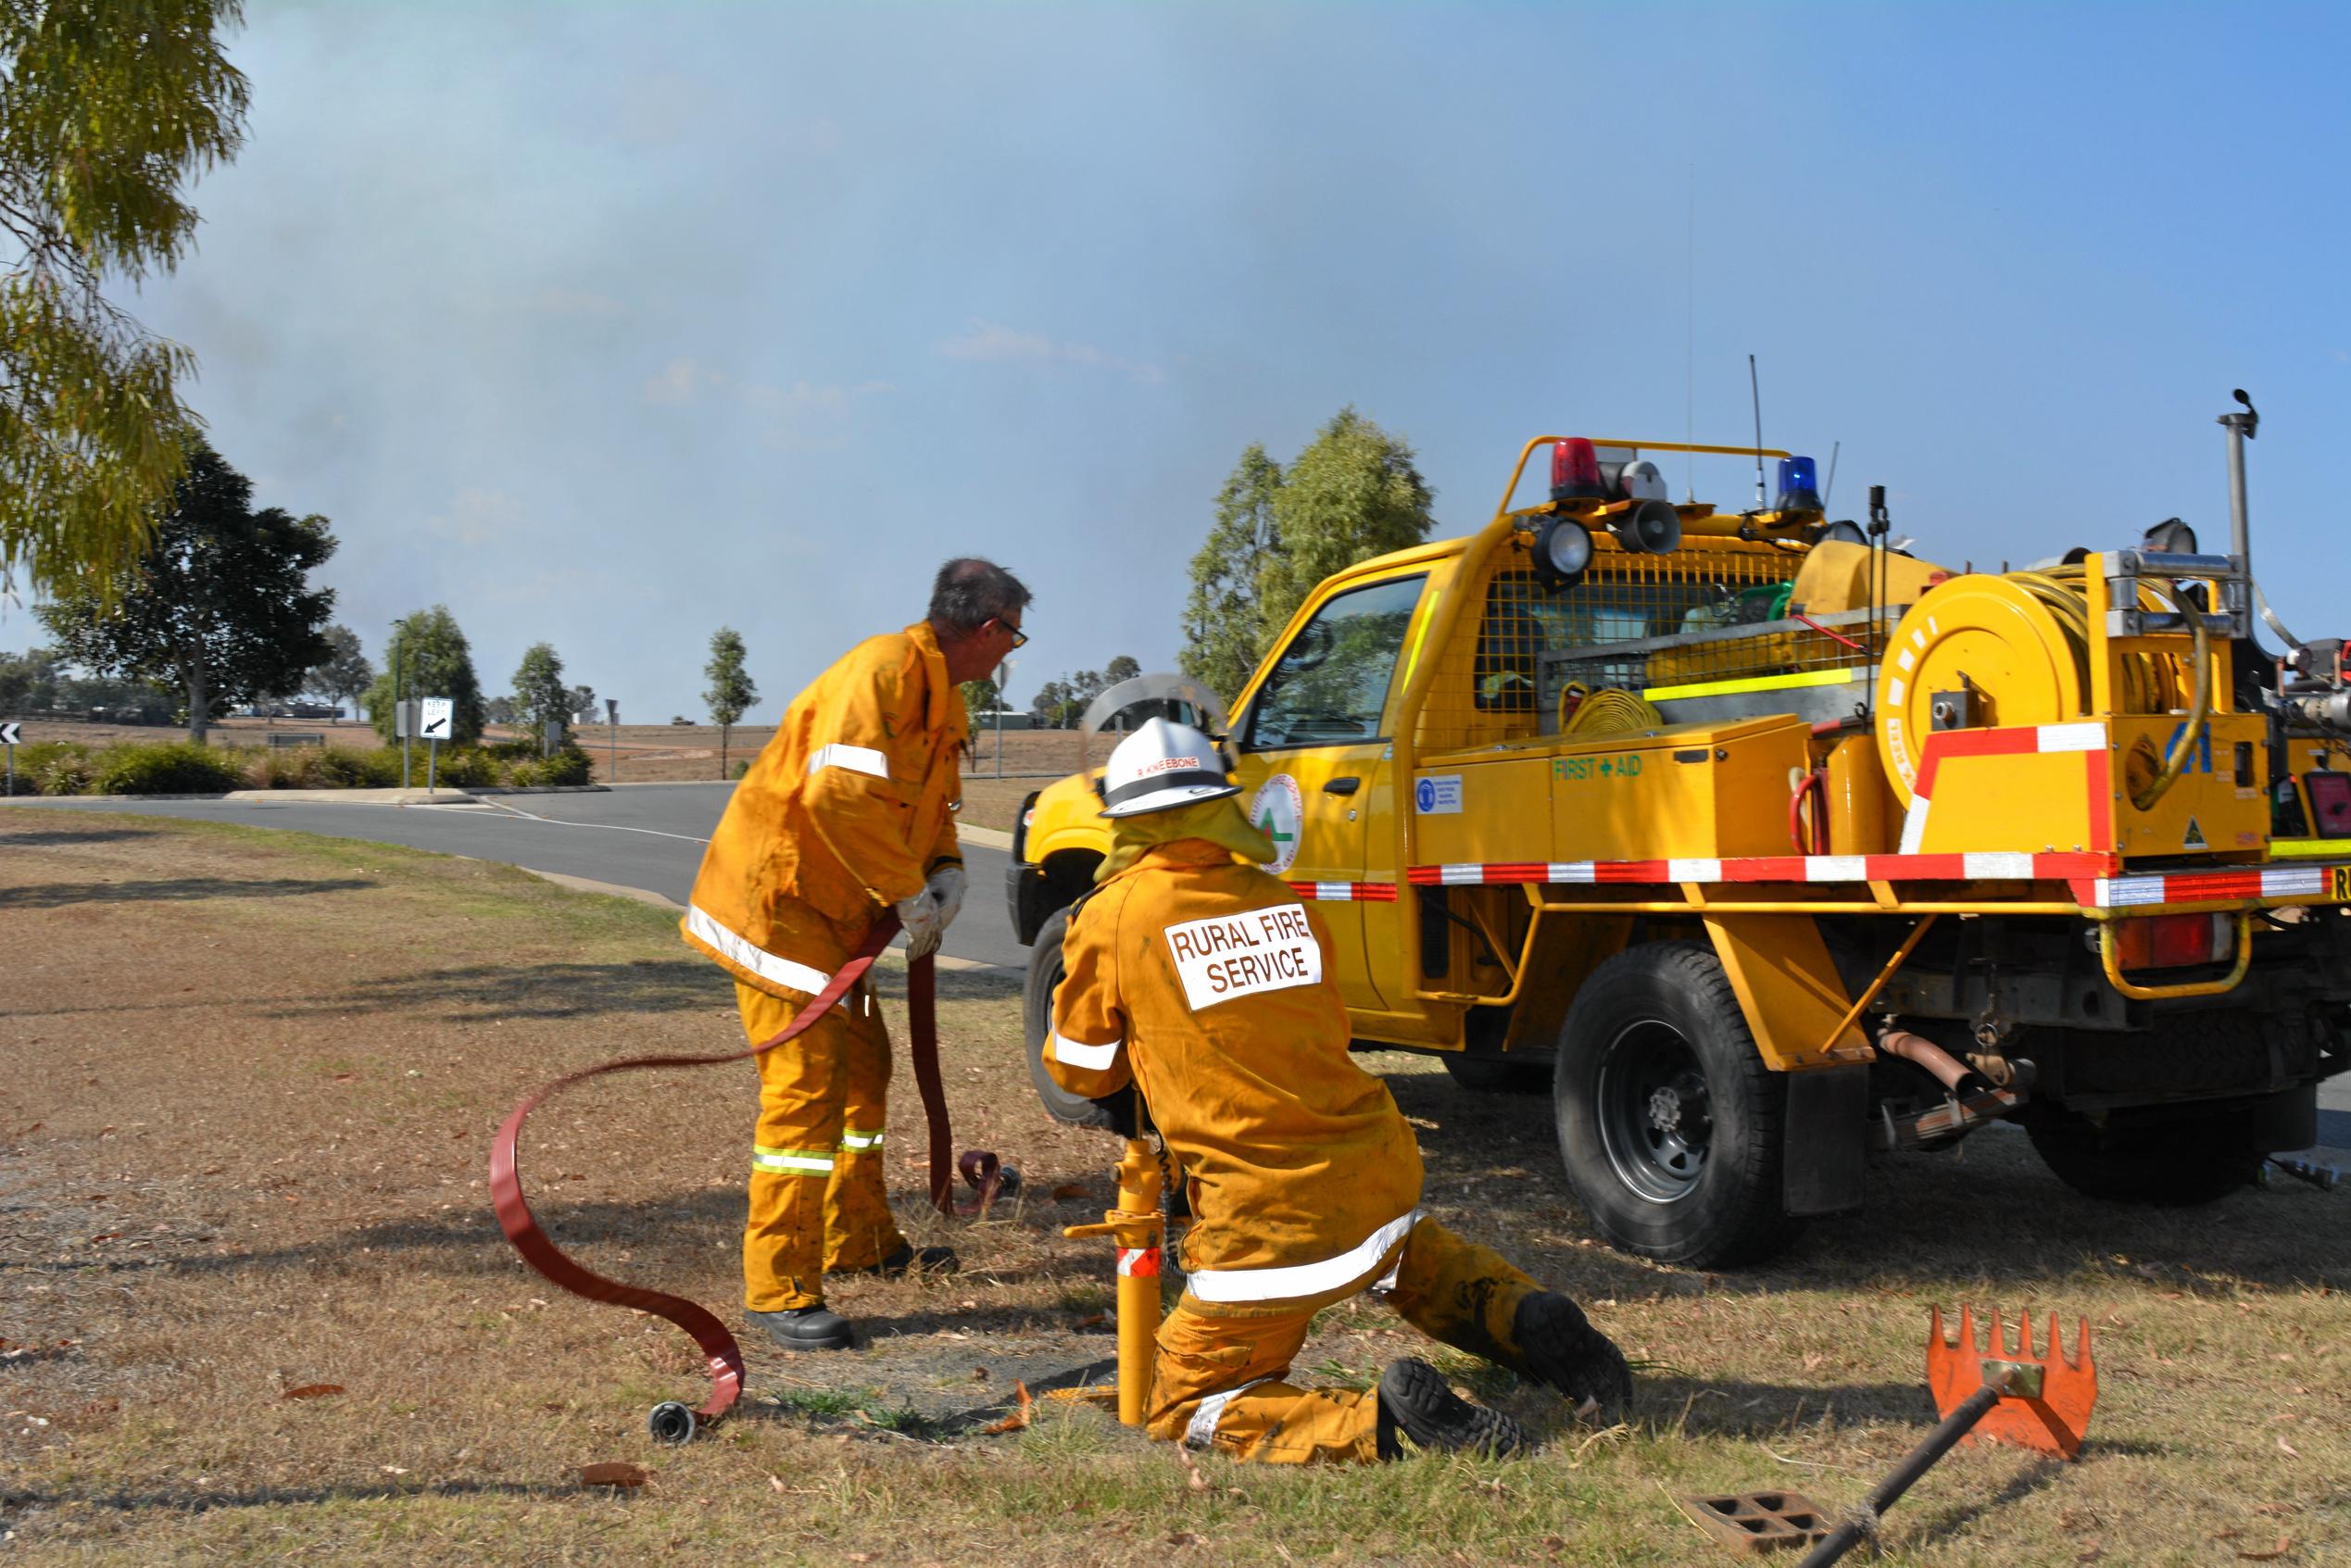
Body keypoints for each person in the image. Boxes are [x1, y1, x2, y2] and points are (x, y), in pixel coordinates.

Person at [1046, 717, 1634, 1461]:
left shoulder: (1116, 912)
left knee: (1182, 1399)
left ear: (1128, 820)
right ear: (1219, 808)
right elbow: (1322, 1023)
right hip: (1375, 1168)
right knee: (1405, 1261)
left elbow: (1078, 1065)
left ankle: (1379, 1425)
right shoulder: (1282, 899)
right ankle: (1524, 1317)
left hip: (1265, 1221)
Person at [681, 558, 1031, 1350]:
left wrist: (943, 870)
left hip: (834, 919)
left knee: (865, 1066)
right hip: (779, 909)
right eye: (1013, 635)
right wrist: (908, 890)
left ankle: (862, 1241)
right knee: (806, 1090)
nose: (1012, 651)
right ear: (988, 628)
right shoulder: (883, 673)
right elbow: (837, 795)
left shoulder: (938, 699)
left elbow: (933, 806)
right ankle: (780, 1287)